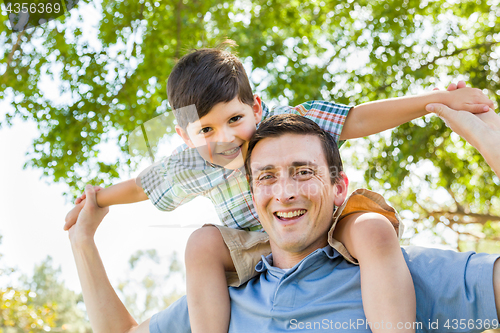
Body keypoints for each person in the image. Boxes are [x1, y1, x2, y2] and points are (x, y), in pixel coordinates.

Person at [64, 43, 494, 333]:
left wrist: (436, 101)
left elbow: (358, 118)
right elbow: (144, 185)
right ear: (186, 138)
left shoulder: (290, 126)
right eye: (206, 129)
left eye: (235, 120)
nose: (226, 139)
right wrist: (96, 200)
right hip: (254, 249)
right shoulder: (189, 166)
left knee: (372, 230)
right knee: (201, 244)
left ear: (255, 107)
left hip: (333, 226)